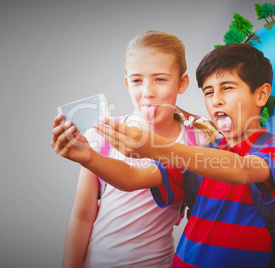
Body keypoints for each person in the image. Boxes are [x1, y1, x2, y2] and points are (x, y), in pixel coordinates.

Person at [52, 43, 275, 267]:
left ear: (262, 94)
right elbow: (131, 178)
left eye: (227, 88)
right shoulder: (199, 153)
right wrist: (87, 157)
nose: (217, 100)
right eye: (209, 92)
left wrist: (155, 147)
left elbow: (242, 170)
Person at [53, 30, 218, 268]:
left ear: (182, 83)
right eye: (137, 80)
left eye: (160, 79)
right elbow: (82, 215)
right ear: (127, 83)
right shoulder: (103, 135)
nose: (148, 92)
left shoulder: (198, 140)